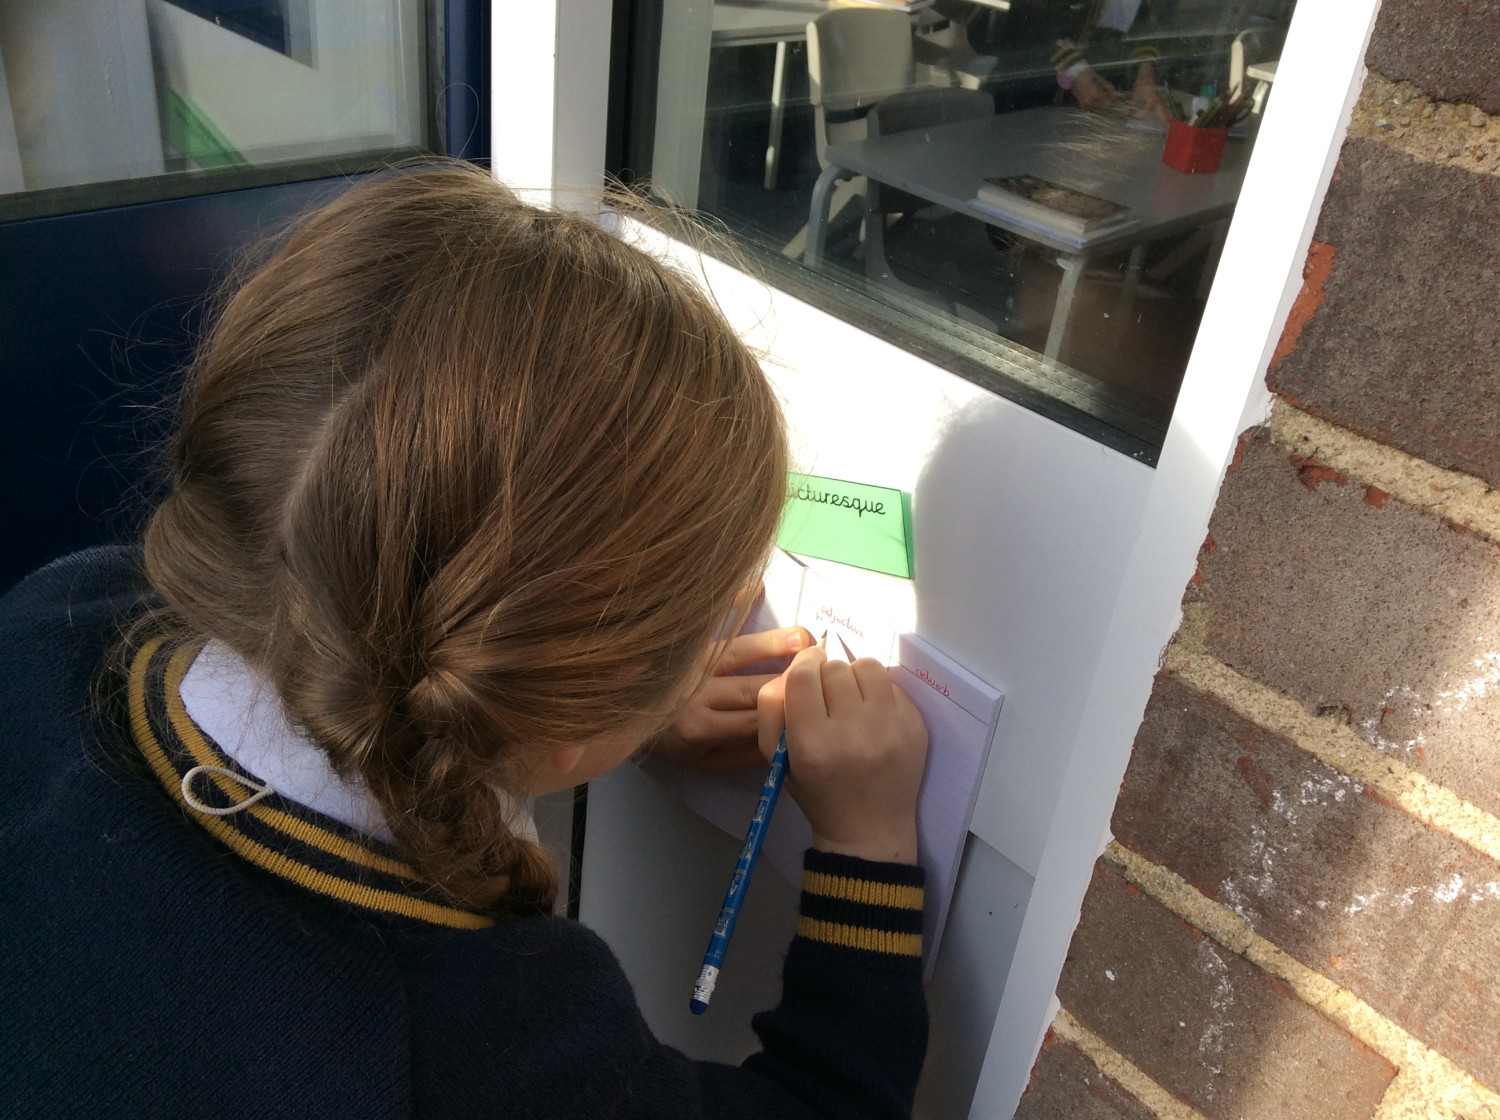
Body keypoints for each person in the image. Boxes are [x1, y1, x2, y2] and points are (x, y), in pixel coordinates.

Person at [0, 165, 931, 1118]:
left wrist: (613, 712)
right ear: (570, 714)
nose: (743, 600)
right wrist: (865, 842)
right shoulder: (493, 1048)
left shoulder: (59, 621)